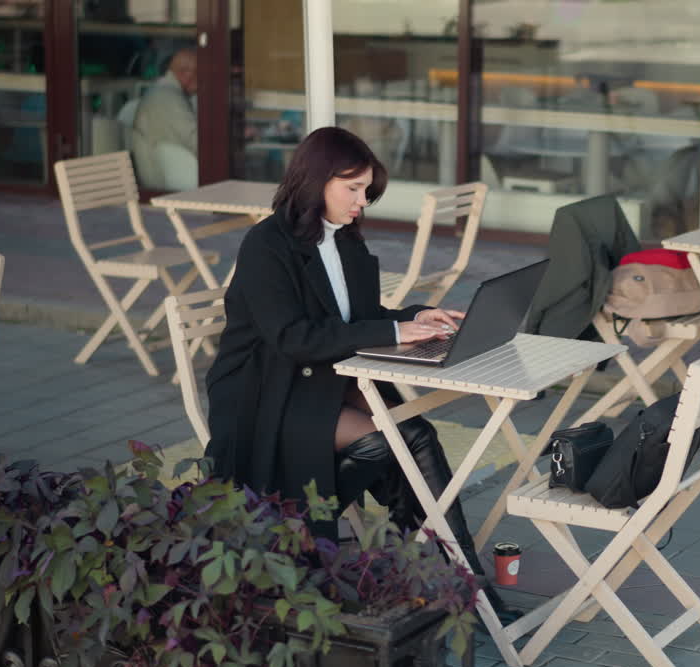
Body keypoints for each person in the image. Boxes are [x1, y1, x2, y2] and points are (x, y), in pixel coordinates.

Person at [204, 126, 515, 617]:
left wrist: (411, 319)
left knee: (417, 434)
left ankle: (452, 577)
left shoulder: (344, 240)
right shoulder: (267, 245)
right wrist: (393, 335)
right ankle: (427, 569)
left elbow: (354, 317)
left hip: (319, 378)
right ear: (315, 180)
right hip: (265, 394)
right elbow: (293, 337)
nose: (362, 201)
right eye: (352, 188)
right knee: (389, 441)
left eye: (366, 190)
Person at [131, 48, 198, 189]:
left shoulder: (162, 91)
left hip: (159, 179)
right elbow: (195, 141)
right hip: (174, 184)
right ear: (186, 73)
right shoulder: (169, 98)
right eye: (200, 74)